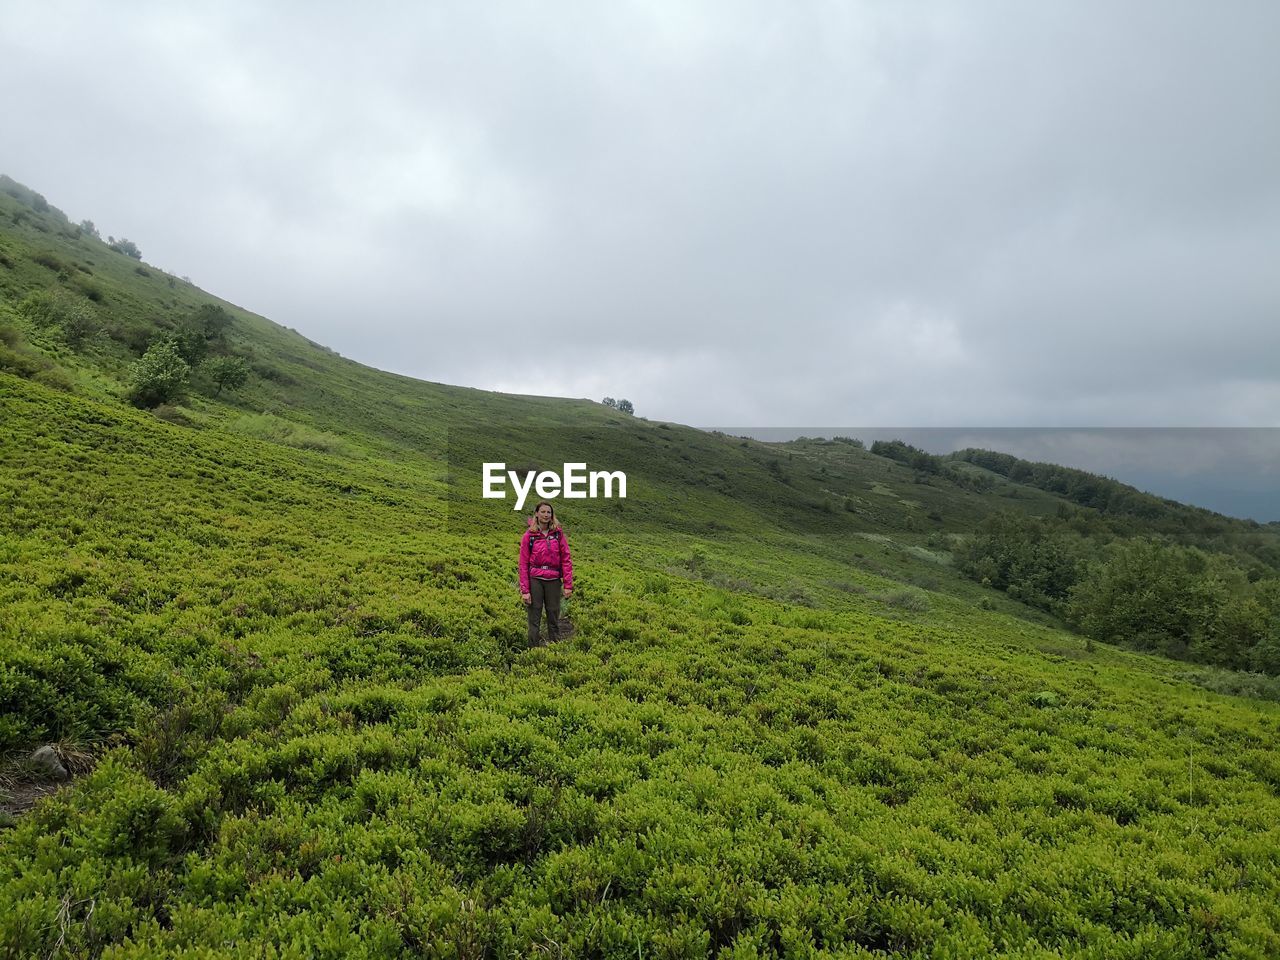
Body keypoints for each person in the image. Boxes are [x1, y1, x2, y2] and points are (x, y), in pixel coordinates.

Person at [519, 501, 573, 645]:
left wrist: (568, 584)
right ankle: (533, 649)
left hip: (554, 580)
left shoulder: (558, 534)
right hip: (535, 579)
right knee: (534, 617)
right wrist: (525, 590)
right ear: (536, 514)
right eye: (542, 512)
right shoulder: (529, 536)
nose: (546, 515)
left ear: (552, 515)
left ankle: (555, 648)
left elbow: (566, 559)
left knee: (553, 615)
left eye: (548, 512)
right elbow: (523, 564)